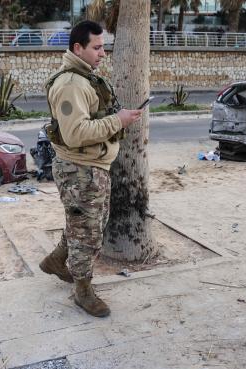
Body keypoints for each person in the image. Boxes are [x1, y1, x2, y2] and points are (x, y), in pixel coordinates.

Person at [40, 20, 142, 317]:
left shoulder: (83, 78)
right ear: (78, 48)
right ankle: (82, 291)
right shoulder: (71, 84)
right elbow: (75, 134)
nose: (103, 53)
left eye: (103, 47)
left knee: (83, 224)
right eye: (97, 48)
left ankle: (57, 260)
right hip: (80, 170)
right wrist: (118, 121)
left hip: (89, 168)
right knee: (89, 233)